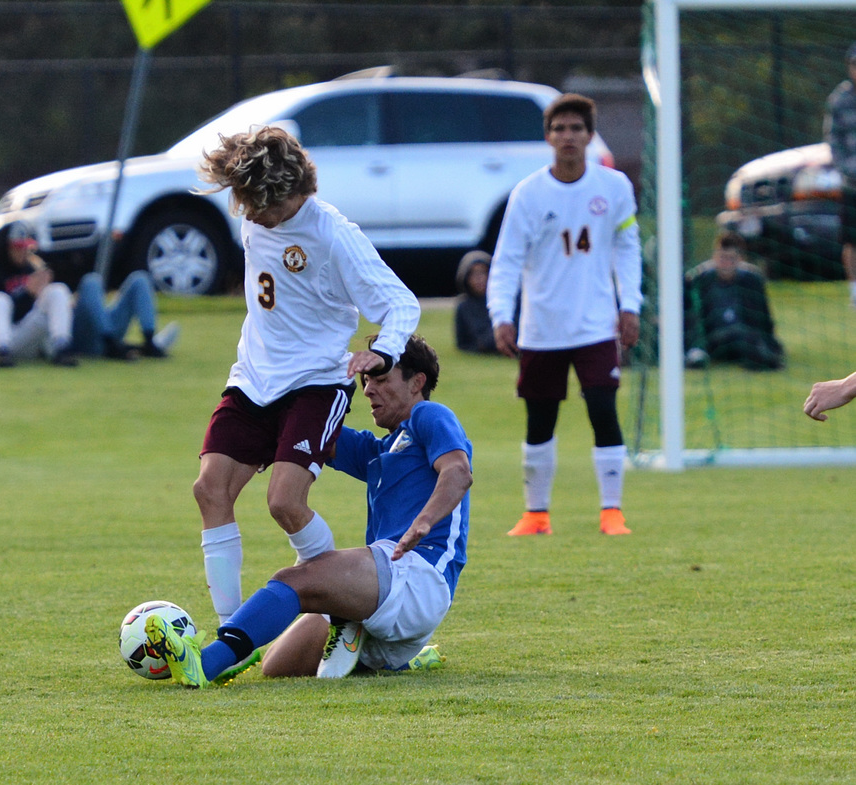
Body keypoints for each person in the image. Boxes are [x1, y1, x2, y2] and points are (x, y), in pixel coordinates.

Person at [191, 125, 421, 629]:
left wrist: (381, 353)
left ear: (293, 194)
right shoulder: (255, 212)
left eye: (257, 204)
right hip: (253, 379)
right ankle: (232, 633)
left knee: (285, 502)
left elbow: (400, 303)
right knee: (210, 490)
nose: (247, 214)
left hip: (315, 384)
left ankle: (347, 613)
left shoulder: (334, 235)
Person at [146, 335, 470, 687]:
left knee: (293, 579)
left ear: (417, 382)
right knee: (278, 664)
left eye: (380, 379)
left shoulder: (429, 415)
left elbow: (457, 471)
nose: (367, 391)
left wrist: (424, 521)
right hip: (388, 596)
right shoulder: (378, 449)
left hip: (418, 575)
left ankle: (205, 665)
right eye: (364, 382)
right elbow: (309, 433)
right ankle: (400, 658)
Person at [487, 93, 641, 537]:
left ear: (590, 136)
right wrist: (502, 314)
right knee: (540, 420)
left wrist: (629, 304)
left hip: (595, 324)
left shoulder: (613, 188)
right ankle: (536, 515)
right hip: (541, 328)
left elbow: (627, 250)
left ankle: (612, 512)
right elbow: (507, 260)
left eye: (576, 129)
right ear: (548, 136)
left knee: (603, 411)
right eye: (560, 129)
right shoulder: (528, 194)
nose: (568, 136)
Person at [0, 220, 78, 368]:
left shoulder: (31, 270)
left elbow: (32, 313)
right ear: (5, 248)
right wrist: (26, 294)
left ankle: (62, 347)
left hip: (21, 338)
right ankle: (2, 352)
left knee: (57, 290)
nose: (24, 252)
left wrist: (40, 294)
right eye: (18, 248)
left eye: (25, 247)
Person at [683, 231, 784, 371]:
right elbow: (689, 317)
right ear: (715, 257)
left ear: (740, 259)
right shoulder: (698, 279)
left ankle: (762, 357)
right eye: (722, 258)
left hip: (744, 338)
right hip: (712, 340)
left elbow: (764, 320)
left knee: (747, 339)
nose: (726, 263)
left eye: (731, 258)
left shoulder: (752, 280)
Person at [71, 270, 179, 360]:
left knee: (140, 278)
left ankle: (149, 342)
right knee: (91, 281)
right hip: (82, 337)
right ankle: (112, 346)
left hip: (108, 330)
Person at [824, 42, 856, 307]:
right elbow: (833, 141)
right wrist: (848, 170)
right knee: (851, 238)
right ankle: (855, 291)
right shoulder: (840, 99)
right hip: (852, 183)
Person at [453, 249, 498, 354]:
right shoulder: (464, 307)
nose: (479, 279)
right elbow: (462, 343)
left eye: (483, 273)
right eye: (473, 274)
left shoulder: (503, 303)